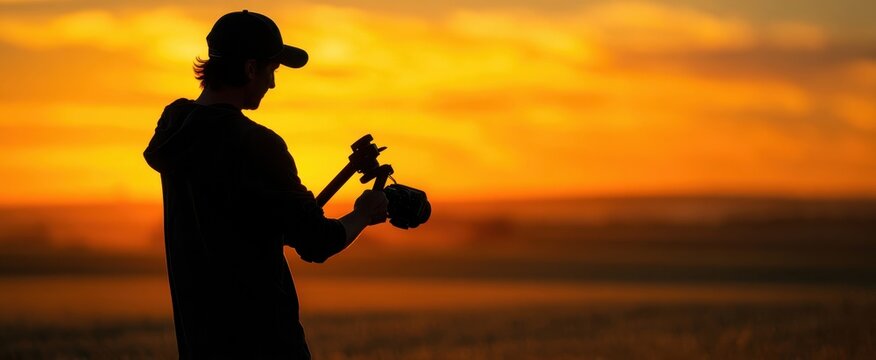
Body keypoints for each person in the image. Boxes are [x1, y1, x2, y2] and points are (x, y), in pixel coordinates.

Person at [143, 10, 388, 359]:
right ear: (250, 69)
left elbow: (260, 221)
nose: (272, 83)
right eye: (272, 71)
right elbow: (317, 242)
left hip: (199, 343)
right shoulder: (256, 143)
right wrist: (364, 213)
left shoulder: (175, 127)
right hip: (267, 343)